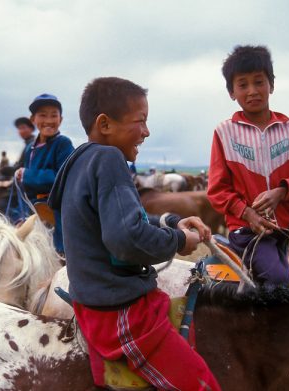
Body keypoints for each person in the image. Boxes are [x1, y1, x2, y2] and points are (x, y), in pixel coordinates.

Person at [48, 77, 220, 391]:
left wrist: (168, 224)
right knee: (203, 384)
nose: (147, 131)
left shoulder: (79, 163)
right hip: (120, 312)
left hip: (90, 303)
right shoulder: (109, 159)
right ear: (105, 124)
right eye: (140, 121)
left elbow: (121, 221)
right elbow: (126, 239)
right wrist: (180, 242)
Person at [207, 45, 289, 286]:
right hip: (247, 233)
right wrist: (248, 214)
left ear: (272, 84)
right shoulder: (224, 133)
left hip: (286, 230)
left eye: (259, 82)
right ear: (231, 92)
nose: (253, 91)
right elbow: (217, 191)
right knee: (279, 281)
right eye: (243, 85)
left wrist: (282, 191)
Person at [15, 93, 74, 253]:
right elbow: (25, 189)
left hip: (58, 209)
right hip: (33, 209)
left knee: (60, 250)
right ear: (33, 119)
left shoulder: (63, 144)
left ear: (60, 119)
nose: (48, 121)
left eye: (53, 115)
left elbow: (64, 178)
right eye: (42, 115)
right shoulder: (30, 148)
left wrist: (27, 175)